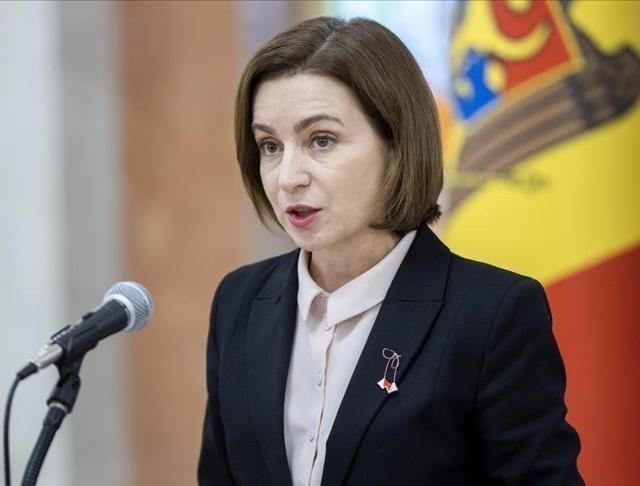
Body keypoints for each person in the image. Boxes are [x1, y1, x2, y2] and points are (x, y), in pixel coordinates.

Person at [198, 16, 582, 486]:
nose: (288, 177)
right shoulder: (239, 301)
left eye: (321, 140)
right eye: (270, 146)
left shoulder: (492, 314)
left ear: (397, 144)